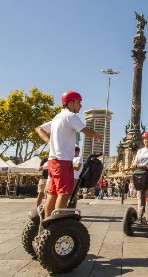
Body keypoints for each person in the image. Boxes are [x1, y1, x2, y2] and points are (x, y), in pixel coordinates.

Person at [36, 91, 102, 219]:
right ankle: (58, 222)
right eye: (79, 102)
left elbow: (39, 128)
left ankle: (46, 221)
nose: (80, 105)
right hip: (64, 161)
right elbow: (84, 130)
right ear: (70, 103)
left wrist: (49, 142)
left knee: (53, 193)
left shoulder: (57, 118)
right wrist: (96, 135)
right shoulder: (70, 116)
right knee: (64, 193)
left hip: (52, 161)